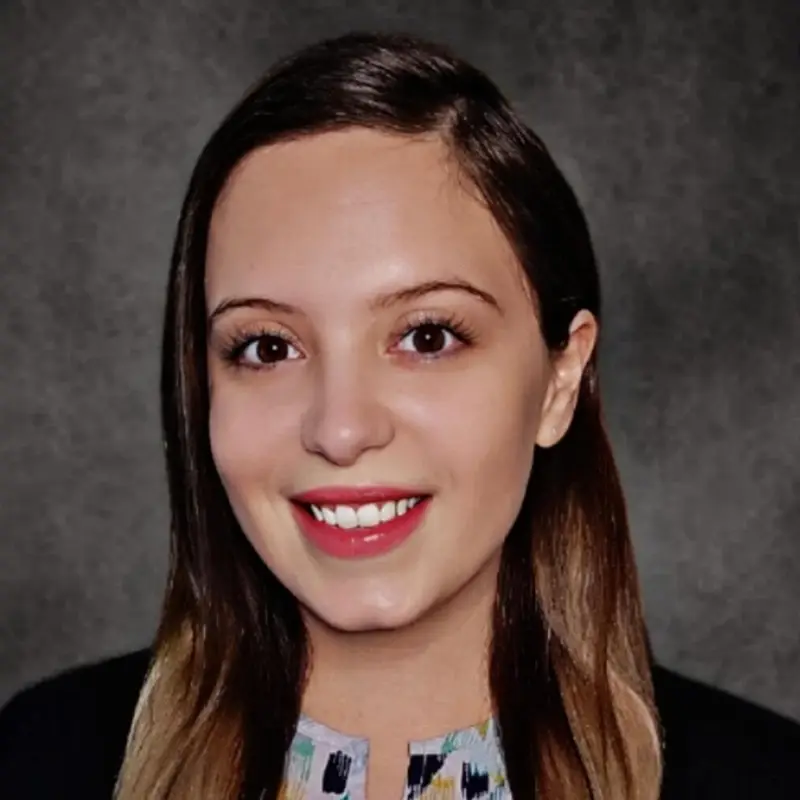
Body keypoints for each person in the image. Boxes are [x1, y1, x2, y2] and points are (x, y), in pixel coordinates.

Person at [1, 31, 799, 800]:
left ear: (561, 380)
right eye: (268, 348)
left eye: (427, 336)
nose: (341, 429)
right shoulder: (36, 761)